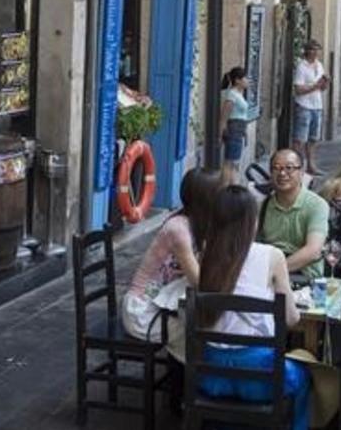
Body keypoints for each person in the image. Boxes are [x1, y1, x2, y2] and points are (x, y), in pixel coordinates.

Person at [194, 185, 310, 430]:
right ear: (251, 221)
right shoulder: (272, 255)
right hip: (259, 378)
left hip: (211, 374)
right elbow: (290, 319)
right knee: (304, 375)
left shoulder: (207, 252)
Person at [123, 168, 221, 342]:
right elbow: (199, 281)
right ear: (207, 200)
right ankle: (186, 369)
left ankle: (185, 367)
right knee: (204, 332)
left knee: (208, 325)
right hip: (143, 311)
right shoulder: (178, 229)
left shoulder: (198, 224)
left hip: (164, 302)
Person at [257, 149, 329, 280]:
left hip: (304, 276)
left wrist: (274, 272)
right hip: (269, 274)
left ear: (301, 172)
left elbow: (313, 251)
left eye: (289, 168)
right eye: (276, 168)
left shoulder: (317, 205)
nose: (282, 173)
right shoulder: (263, 206)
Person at [293, 40, 328, 175]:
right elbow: (298, 89)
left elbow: (322, 88)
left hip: (317, 105)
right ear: (307, 51)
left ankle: (311, 165)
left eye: (317, 50)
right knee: (300, 139)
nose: (315, 52)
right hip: (304, 105)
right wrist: (316, 85)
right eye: (313, 50)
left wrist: (325, 83)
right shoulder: (302, 67)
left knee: (313, 139)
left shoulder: (319, 65)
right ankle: (298, 166)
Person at [218, 66, 252, 171]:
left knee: (233, 163)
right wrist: (219, 134)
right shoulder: (232, 95)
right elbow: (224, 116)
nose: (248, 81)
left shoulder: (239, 95)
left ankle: (231, 184)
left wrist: (245, 132)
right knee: (229, 163)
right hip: (233, 130)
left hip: (239, 130)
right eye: (245, 78)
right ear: (237, 80)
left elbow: (243, 115)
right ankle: (228, 185)